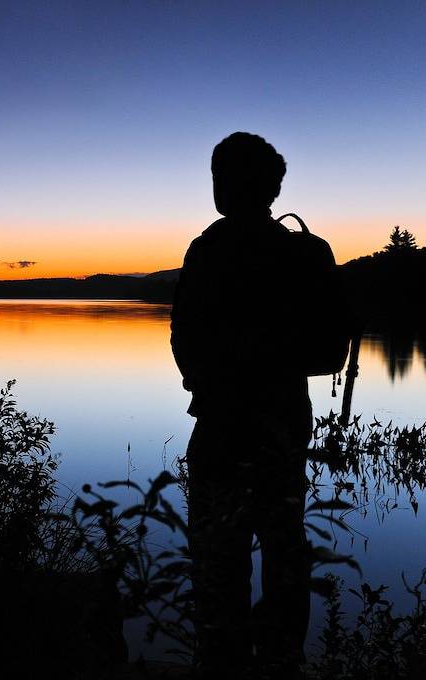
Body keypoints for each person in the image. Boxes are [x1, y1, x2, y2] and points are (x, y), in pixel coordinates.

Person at [171, 132, 318, 679]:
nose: (215, 186)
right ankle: (281, 662)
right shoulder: (300, 252)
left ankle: (222, 664)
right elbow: (324, 348)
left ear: (230, 184)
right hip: (283, 429)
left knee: (217, 563)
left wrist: (207, 382)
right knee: (284, 557)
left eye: (219, 176)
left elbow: (181, 336)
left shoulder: (209, 249)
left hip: (221, 432)